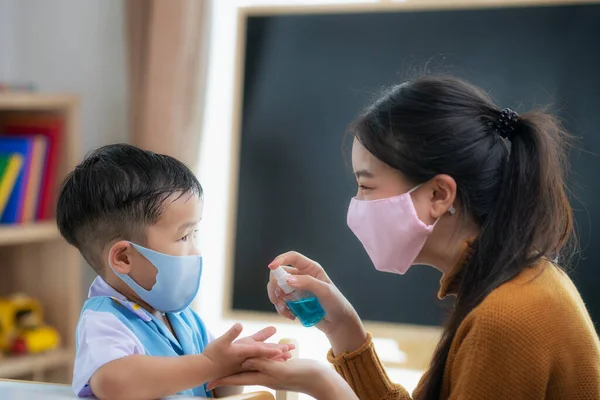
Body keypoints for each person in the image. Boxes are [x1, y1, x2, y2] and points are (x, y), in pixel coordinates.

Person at [209, 76, 600, 399]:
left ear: (438, 195)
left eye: (367, 186)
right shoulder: (511, 284)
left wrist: (325, 386)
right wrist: (343, 327)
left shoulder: (506, 317)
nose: (356, 206)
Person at [57, 144, 293, 399]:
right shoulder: (104, 321)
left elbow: (216, 391)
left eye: (195, 234)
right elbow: (114, 383)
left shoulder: (183, 319)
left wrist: (235, 366)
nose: (195, 252)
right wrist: (210, 364)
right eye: (183, 237)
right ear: (125, 258)